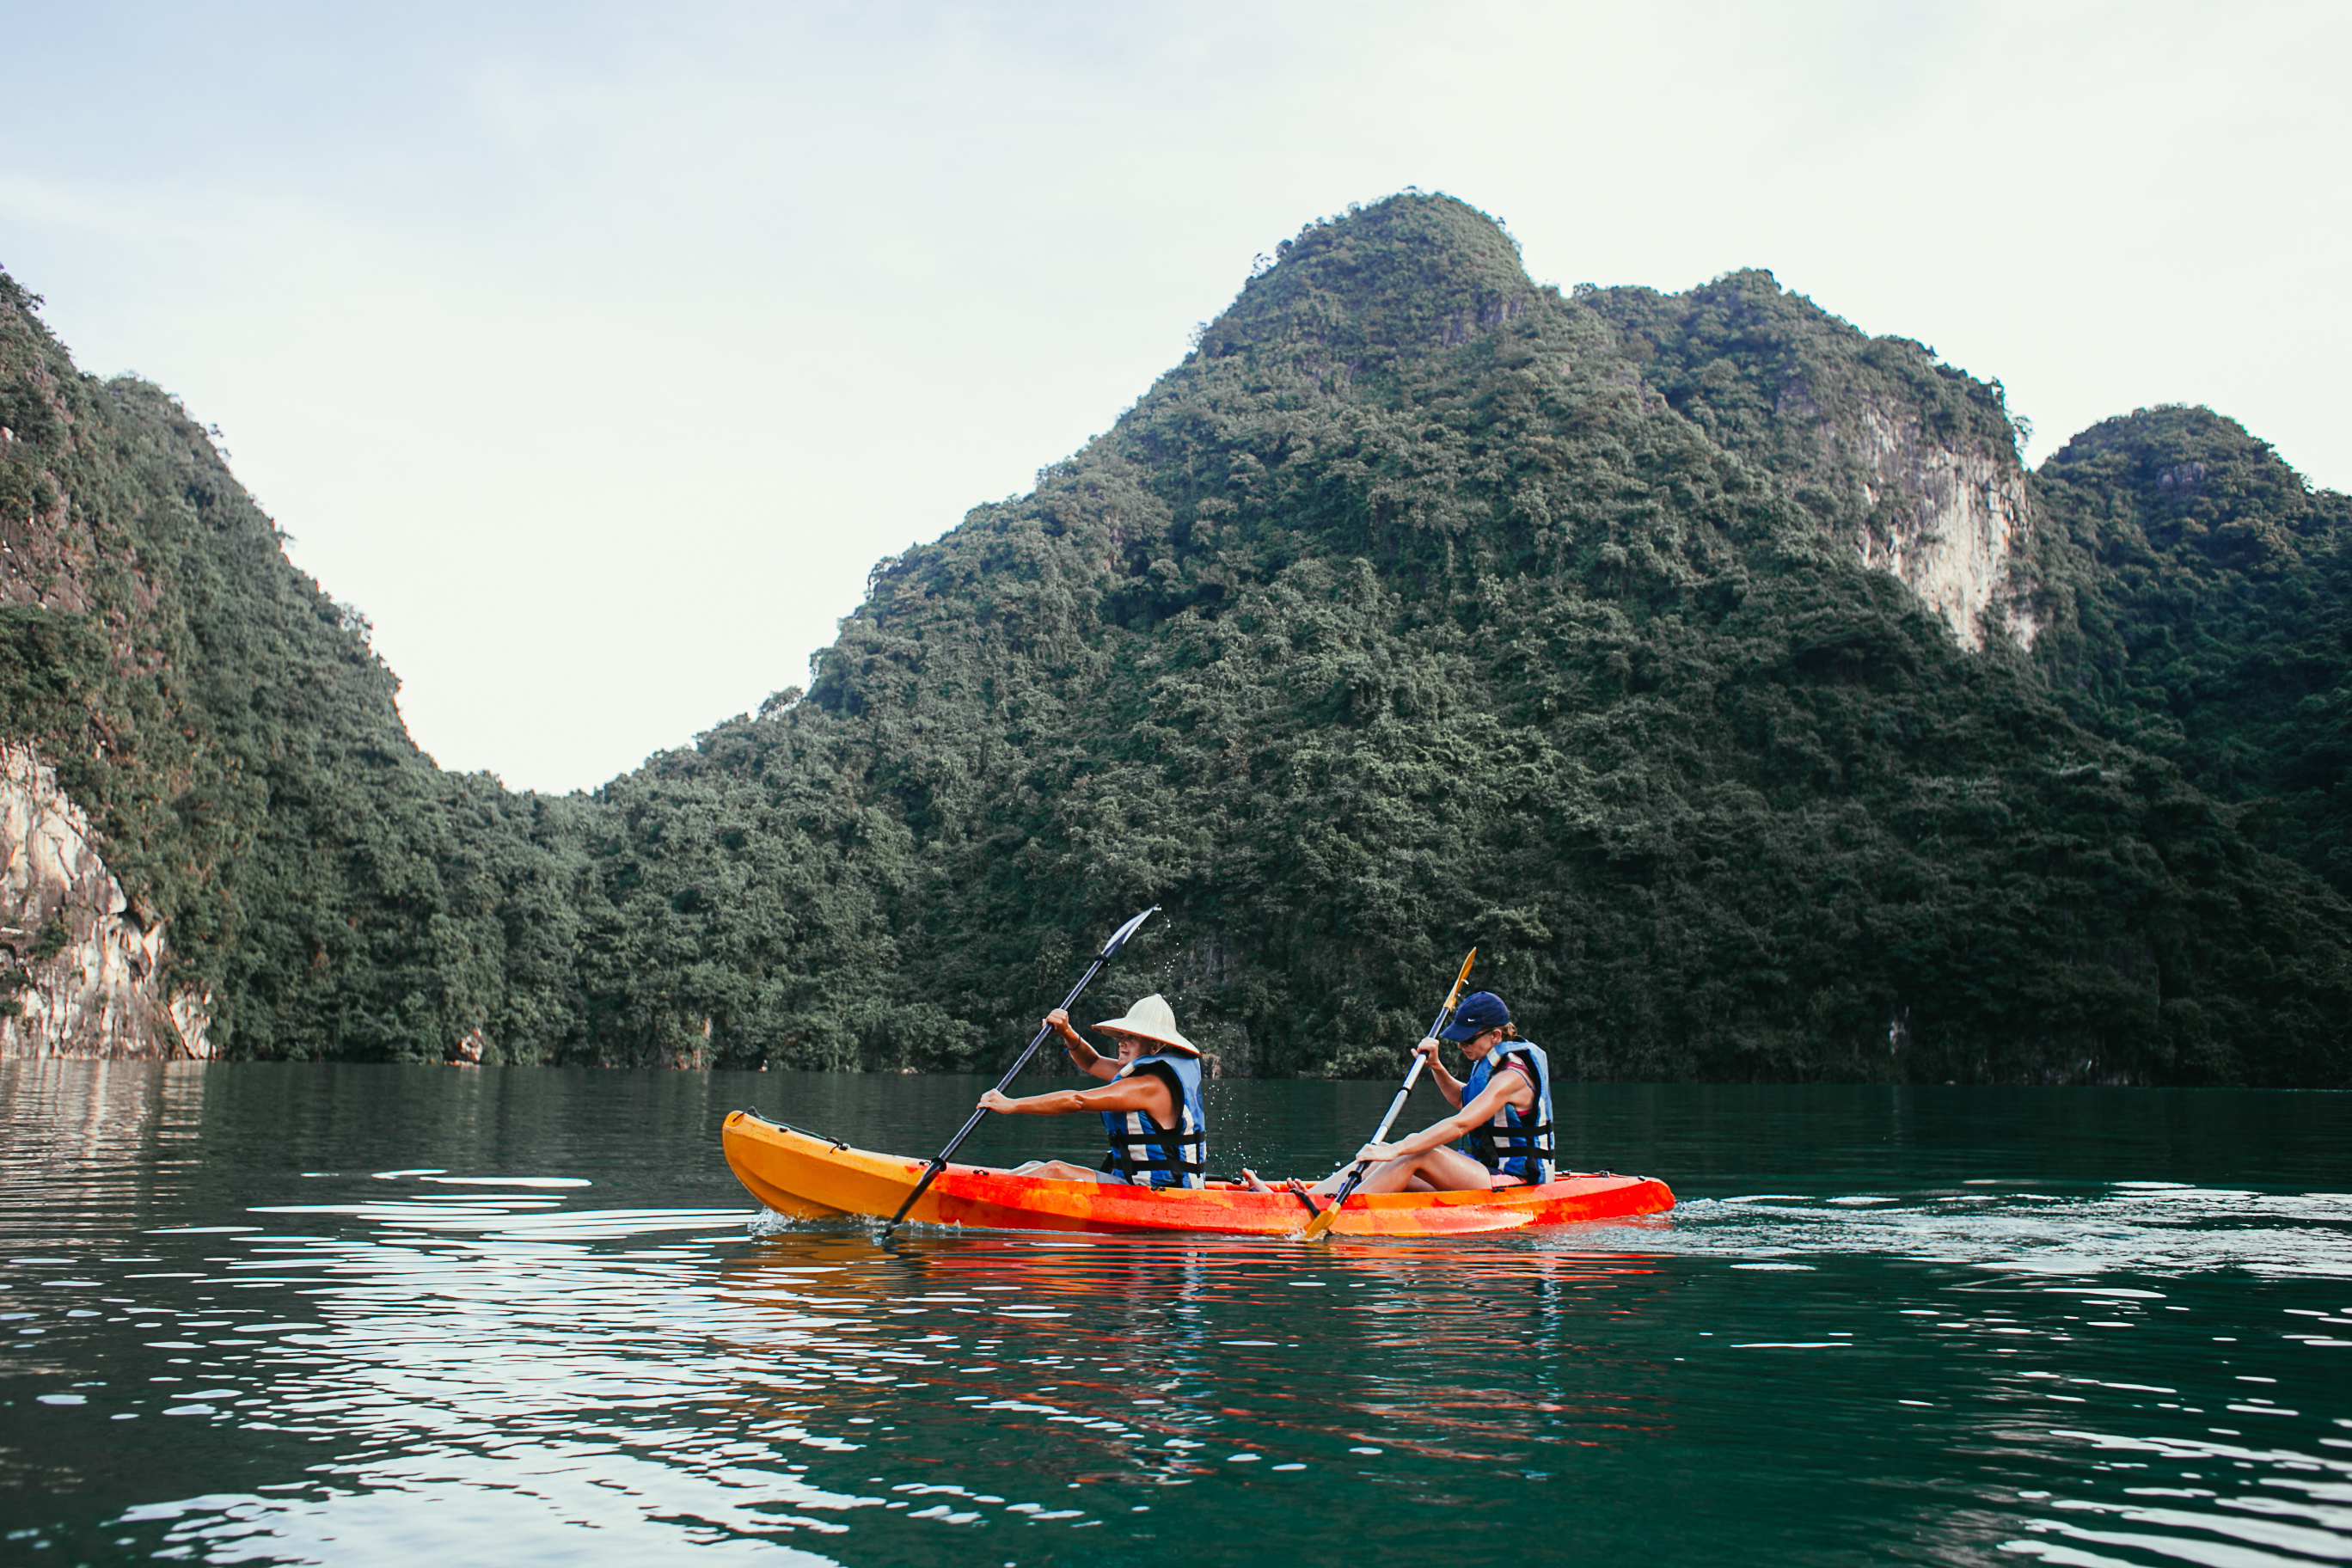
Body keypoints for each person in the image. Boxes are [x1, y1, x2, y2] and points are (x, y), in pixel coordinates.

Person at [1258, 991, 1553, 1196]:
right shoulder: (1488, 1065)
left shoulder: (1513, 1076)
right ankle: (1306, 1197)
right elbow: (1463, 1100)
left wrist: (1397, 1148)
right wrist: (1436, 1066)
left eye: (1468, 1040)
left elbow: (1462, 1123)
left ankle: (1338, 1210)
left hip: (1517, 1182)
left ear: (1496, 1036)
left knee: (1415, 1151)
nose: (1462, 1046)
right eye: (1458, 1040)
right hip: (1484, 1171)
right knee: (1381, 1159)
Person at [977, 993, 1210, 1188]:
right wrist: (1067, 1032)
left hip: (1158, 1192)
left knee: (1055, 1169)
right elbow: (1092, 1062)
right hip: (1133, 1183)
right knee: (1032, 1166)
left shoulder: (1149, 1086)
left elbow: (1078, 1100)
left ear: (1155, 1046)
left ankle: (981, 1195)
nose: (1121, 1042)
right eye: (1122, 1035)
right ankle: (982, 1186)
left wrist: (1012, 1104)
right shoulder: (1142, 1075)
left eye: (1132, 1037)